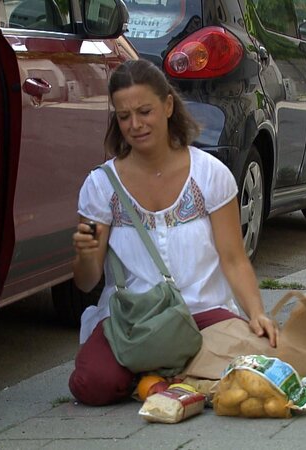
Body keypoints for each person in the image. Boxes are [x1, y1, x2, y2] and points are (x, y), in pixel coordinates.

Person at [69, 60, 278, 406]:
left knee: (263, 363)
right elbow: (86, 282)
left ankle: (159, 376)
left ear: (168, 106)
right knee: (91, 385)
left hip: (204, 311)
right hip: (134, 320)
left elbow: (234, 259)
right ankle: (177, 374)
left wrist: (256, 313)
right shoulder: (100, 185)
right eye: (124, 116)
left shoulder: (209, 173)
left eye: (144, 111)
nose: (135, 125)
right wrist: (87, 256)